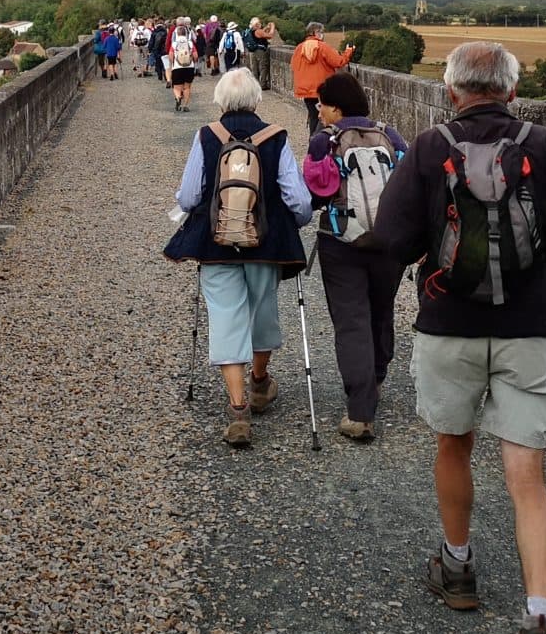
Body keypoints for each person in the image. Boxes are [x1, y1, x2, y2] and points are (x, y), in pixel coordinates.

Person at [363, 41, 546, 634]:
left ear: (451, 91)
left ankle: (457, 568)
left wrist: (439, 244)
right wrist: (537, 241)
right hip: (527, 328)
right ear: (512, 91)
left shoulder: (430, 147)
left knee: (453, 444)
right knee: (526, 474)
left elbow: (391, 240)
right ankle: (540, 620)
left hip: (448, 324)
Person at [165, 68, 312, 446]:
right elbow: (298, 200)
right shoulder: (276, 137)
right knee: (262, 311)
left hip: (216, 245)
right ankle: (260, 384)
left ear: (220, 101)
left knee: (225, 318)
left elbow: (189, 196)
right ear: (257, 99)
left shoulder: (206, 135)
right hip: (265, 244)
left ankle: (238, 409)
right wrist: (292, 224)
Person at [300, 71, 407, 441]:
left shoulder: (324, 140)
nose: (318, 109)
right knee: (381, 310)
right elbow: (407, 183)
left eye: (322, 104)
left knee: (351, 321)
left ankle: (360, 412)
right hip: (389, 243)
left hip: (341, 242)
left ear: (337, 108)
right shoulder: (390, 135)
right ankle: (375, 378)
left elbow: (316, 192)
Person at [290, 22, 356, 136]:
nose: (323, 34)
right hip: (322, 89)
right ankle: (317, 140)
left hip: (305, 90)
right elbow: (338, 62)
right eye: (321, 32)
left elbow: (293, 66)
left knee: (313, 117)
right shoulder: (322, 47)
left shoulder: (299, 48)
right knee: (324, 118)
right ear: (315, 32)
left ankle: (313, 140)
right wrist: (348, 52)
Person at [166, 17, 200, 110]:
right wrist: (194, 62)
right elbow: (196, 56)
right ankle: (185, 105)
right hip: (189, 67)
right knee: (187, 87)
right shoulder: (190, 43)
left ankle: (178, 98)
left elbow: (170, 56)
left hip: (177, 67)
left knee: (177, 87)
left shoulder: (174, 44)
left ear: (177, 33)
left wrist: (172, 64)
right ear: (186, 33)